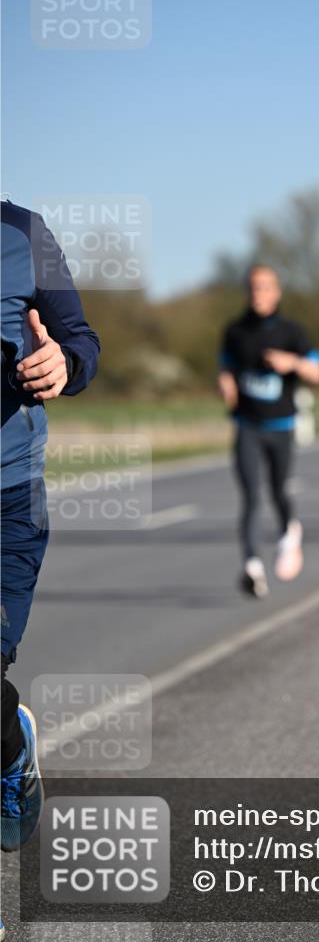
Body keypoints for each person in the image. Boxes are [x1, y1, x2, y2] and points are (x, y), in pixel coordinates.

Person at [1, 201, 100, 885]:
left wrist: (63, 362)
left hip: (7, 495)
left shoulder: (22, 232)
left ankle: (8, 758)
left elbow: (83, 343)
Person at [218, 265, 319, 597]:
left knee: (278, 491)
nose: (258, 294)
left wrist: (291, 363)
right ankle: (251, 566)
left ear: (277, 292)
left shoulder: (293, 332)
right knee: (251, 496)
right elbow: (226, 368)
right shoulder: (235, 332)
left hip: (282, 427)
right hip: (247, 426)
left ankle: (289, 532)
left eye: (265, 287)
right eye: (253, 287)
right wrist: (227, 386)